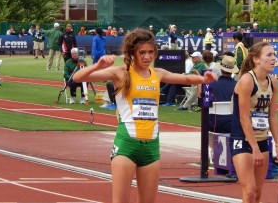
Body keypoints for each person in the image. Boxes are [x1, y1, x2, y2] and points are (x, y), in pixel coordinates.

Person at [73, 28, 217, 203]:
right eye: (142, 52)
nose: (147, 57)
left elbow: (184, 78)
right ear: (132, 53)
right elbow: (78, 78)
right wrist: (97, 65)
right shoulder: (121, 73)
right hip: (126, 145)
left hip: (151, 147)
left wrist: (203, 80)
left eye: (151, 52)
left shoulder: (158, 73)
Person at [229, 41, 278, 203]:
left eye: (274, 54)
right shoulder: (247, 81)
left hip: (262, 140)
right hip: (243, 140)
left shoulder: (272, 82)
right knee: (250, 191)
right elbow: (244, 117)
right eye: (269, 55)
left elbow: (272, 116)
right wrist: (254, 148)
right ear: (256, 60)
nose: (274, 58)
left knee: (258, 192)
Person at [209, 55, 238, 133]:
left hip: (212, 124)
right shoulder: (238, 85)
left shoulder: (211, 84)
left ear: (221, 69)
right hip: (232, 124)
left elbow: (202, 103)